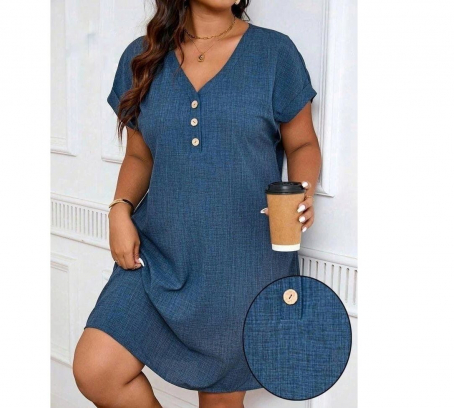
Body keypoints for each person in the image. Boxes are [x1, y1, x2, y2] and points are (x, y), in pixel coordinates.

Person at [73, 1, 321, 407]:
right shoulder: (143, 56)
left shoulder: (276, 53)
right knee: (96, 370)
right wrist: (119, 207)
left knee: (220, 401)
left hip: (244, 261)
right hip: (160, 254)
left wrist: (303, 190)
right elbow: (139, 155)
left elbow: (303, 143)